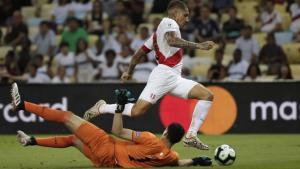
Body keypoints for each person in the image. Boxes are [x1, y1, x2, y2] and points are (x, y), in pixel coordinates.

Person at [84, 0, 215, 150]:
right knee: (136, 112)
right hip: (163, 74)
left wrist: (129, 71)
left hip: (174, 78)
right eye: (185, 15)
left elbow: (139, 54)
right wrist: (198, 45)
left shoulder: (156, 36)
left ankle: (191, 135)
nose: (187, 19)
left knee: (207, 95)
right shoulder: (168, 21)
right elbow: (172, 41)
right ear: (175, 13)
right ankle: (102, 107)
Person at [11, 83, 212, 168]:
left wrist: (119, 107)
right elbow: (178, 163)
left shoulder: (151, 139)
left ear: (166, 131)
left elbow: (117, 131)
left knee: (66, 116)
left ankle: (22, 105)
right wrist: (196, 160)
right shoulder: (170, 157)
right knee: (73, 140)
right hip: (107, 163)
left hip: (106, 147)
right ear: (176, 140)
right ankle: (30, 141)